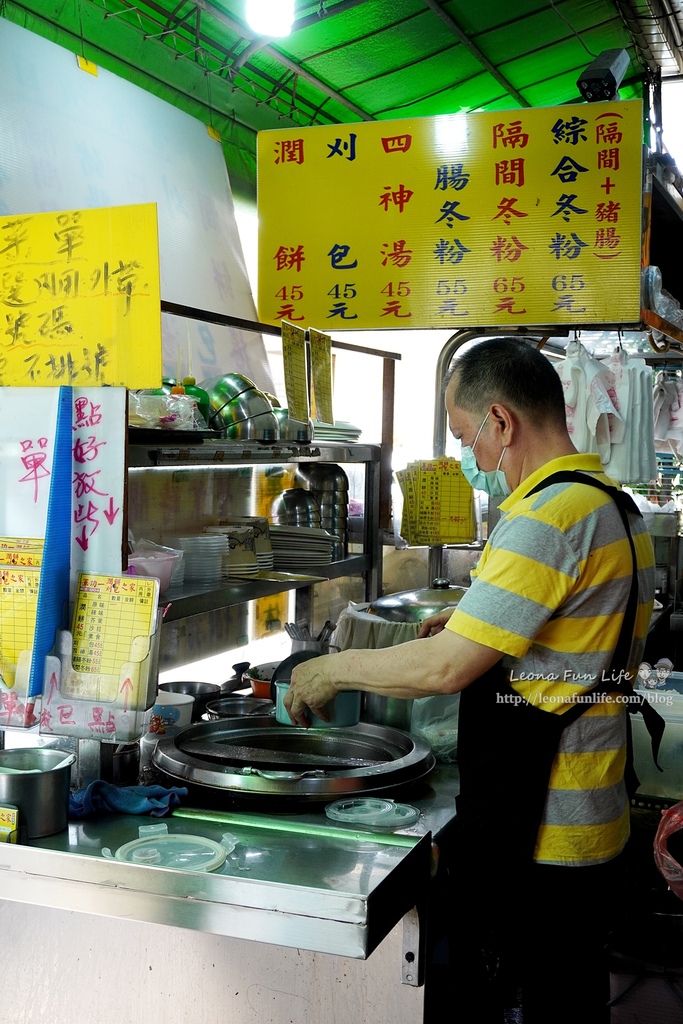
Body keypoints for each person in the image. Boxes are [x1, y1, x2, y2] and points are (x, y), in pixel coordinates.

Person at [285, 336, 656, 1024]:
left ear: (500, 420)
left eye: (465, 437)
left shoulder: (547, 515)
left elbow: (445, 667)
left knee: (547, 1001)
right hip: (596, 805)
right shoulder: (610, 504)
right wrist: (475, 613)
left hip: (548, 820)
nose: (470, 458)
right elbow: (583, 623)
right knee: (572, 995)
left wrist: (327, 669)